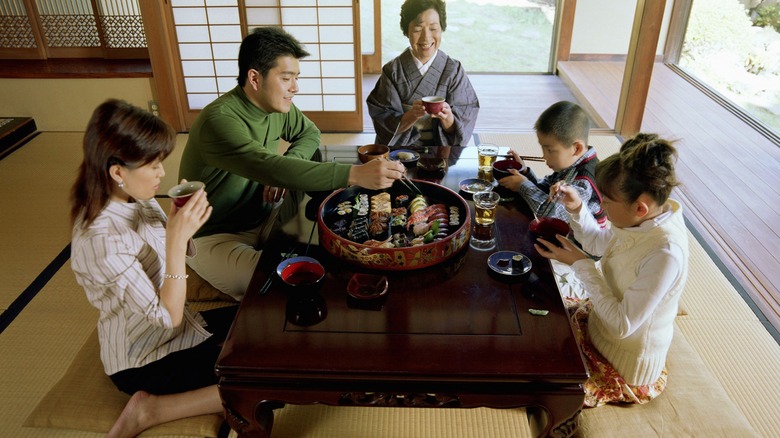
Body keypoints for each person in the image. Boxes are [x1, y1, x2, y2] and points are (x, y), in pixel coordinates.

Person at [179, 27, 405, 300]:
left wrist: (288, 161)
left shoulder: (275, 105)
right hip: (217, 235)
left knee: (331, 249)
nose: (295, 88)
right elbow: (267, 166)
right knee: (281, 282)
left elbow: (309, 134)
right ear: (254, 78)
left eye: (296, 78)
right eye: (286, 78)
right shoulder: (219, 120)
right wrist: (354, 173)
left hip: (266, 213)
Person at [70, 99, 230, 438]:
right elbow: (166, 315)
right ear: (117, 171)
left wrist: (180, 224)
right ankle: (149, 411)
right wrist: (174, 240)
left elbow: (171, 257)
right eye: (153, 163)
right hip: (144, 358)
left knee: (259, 326)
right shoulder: (103, 241)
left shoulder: (132, 197)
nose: (161, 172)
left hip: (183, 327)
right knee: (264, 383)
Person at [534, 133, 690, 407]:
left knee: (536, 378)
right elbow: (598, 242)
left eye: (606, 202)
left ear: (640, 208)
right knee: (536, 314)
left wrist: (581, 265)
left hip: (622, 363)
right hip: (598, 325)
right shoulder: (641, 221)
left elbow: (621, 325)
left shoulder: (665, 253)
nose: (601, 206)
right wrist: (577, 208)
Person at [366, 0, 480, 147]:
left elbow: (465, 116)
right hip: (402, 150)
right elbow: (383, 118)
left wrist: (448, 118)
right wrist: (410, 116)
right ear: (406, 31)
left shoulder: (453, 70)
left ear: (441, 29)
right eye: (418, 28)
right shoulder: (393, 71)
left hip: (442, 151)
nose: (426, 37)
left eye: (433, 28)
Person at [497, 101, 605, 226]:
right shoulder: (571, 163)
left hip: (579, 243)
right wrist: (524, 172)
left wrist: (523, 185)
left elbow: (549, 215)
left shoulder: (584, 181)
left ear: (577, 148)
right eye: (543, 149)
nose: (544, 156)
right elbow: (545, 191)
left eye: (550, 150)